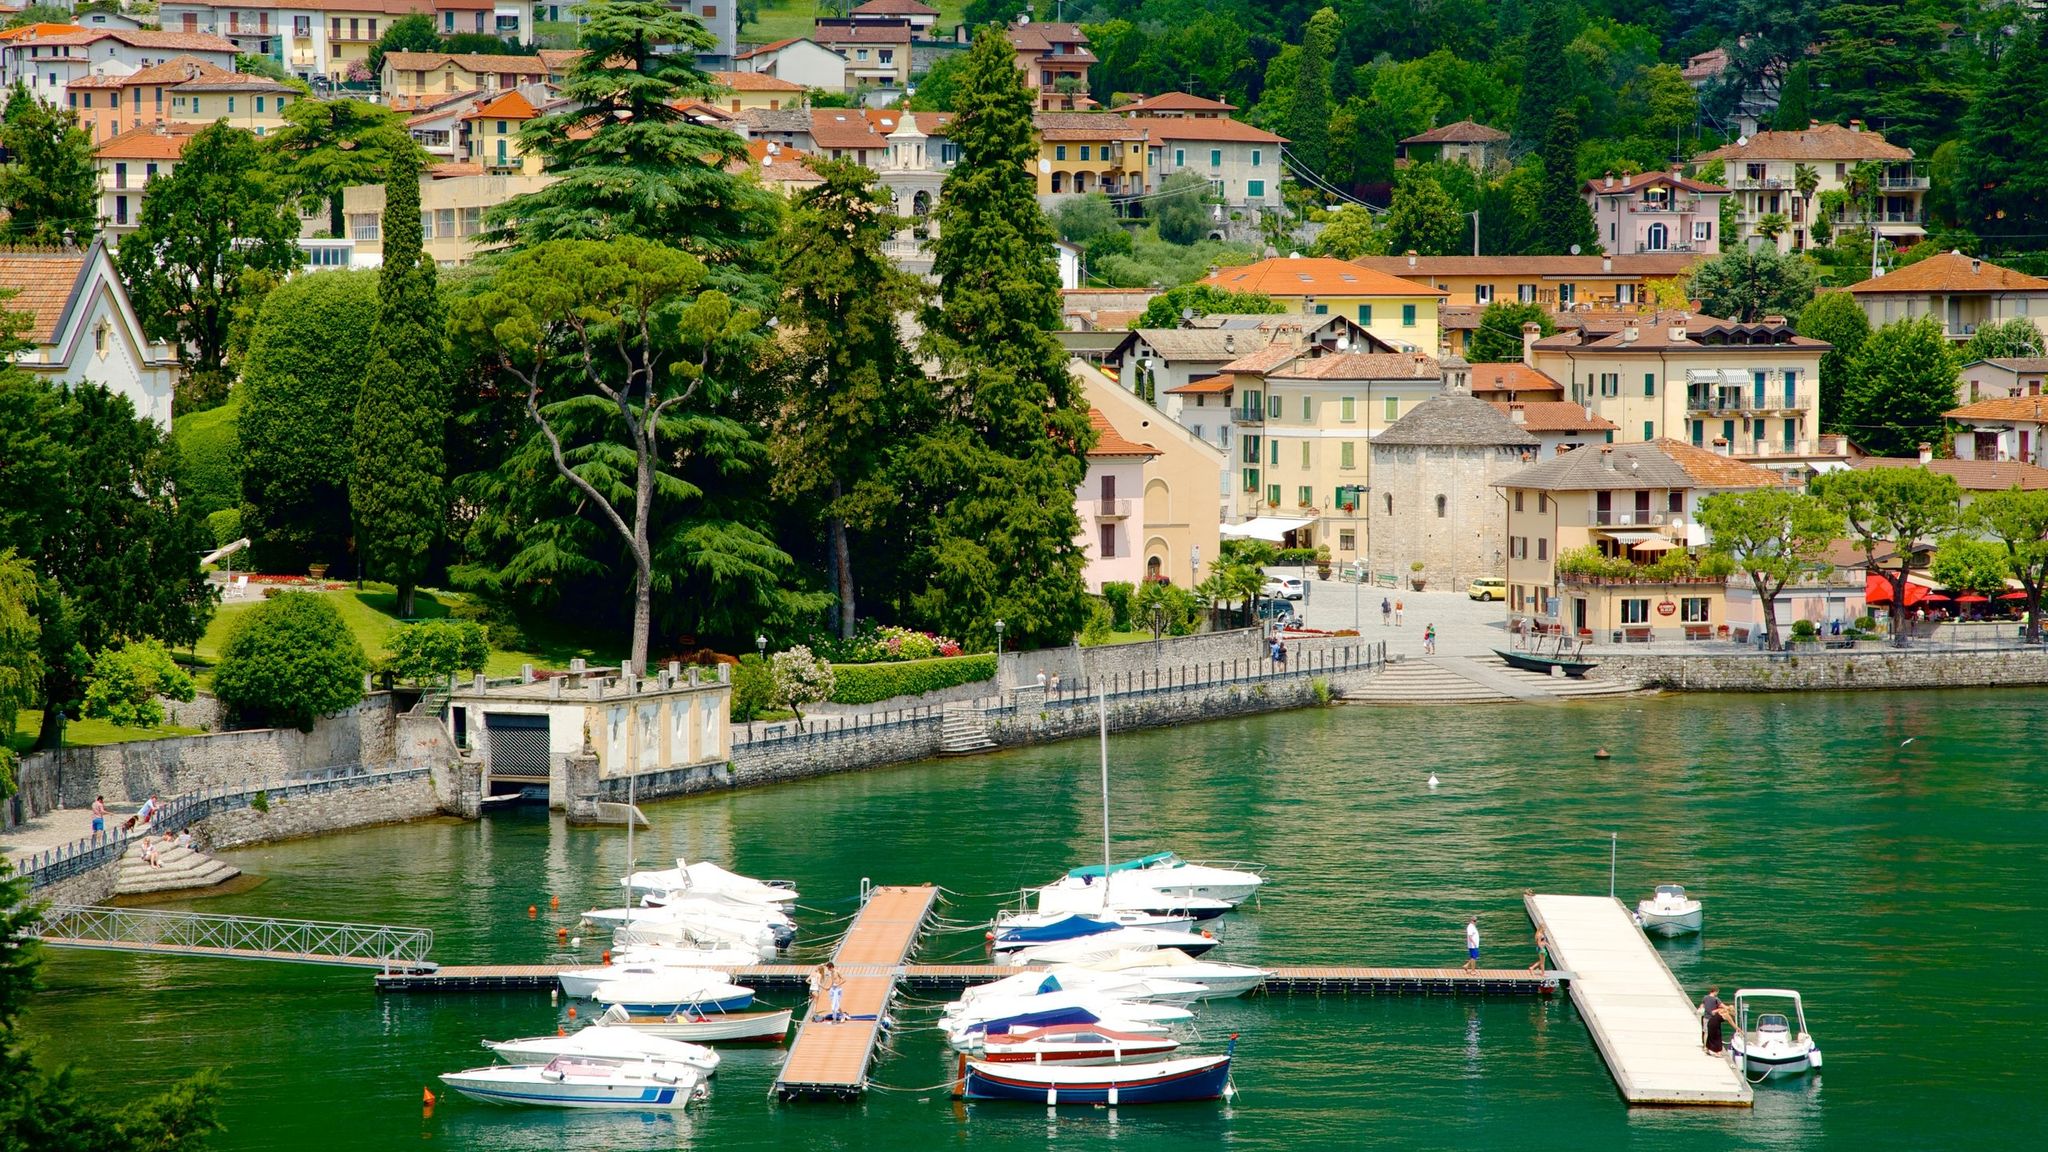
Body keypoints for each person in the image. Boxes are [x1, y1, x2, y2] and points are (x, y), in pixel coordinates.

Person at [1701, 987, 1725, 1053]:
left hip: (1705, 1017)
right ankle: (1711, 1047)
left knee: (1706, 1032)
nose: (1717, 993)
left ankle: (1705, 1047)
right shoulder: (1716, 999)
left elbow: (1702, 1006)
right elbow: (1723, 1006)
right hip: (1712, 1018)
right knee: (1712, 1033)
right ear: (1715, 991)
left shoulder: (1705, 997)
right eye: (1717, 992)